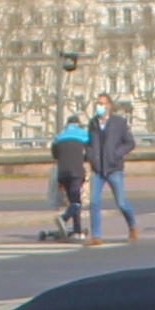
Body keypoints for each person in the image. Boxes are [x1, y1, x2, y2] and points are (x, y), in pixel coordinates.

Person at [85, 93, 137, 243]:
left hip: (114, 167)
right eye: (97, 103)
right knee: (94, 202)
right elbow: (89, 143)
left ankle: (132, 226)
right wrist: (90, 155)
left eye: (102, 104)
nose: (99, 106)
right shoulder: (93, 123)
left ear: (109, 106)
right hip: (97, 168)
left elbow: (129, 142)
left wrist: (117, 153)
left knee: (121, 202)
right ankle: (96, 235)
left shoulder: (118, 122)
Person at [50, 114, 89, 239]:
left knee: (72, 201)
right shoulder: (83, 135)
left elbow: (55, 154)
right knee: (77, 202)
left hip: (62, 173)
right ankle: (64, 218)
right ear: (78, 123)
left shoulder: (59, 136)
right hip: (76, 172)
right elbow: (89, 152)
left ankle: (77, 229)